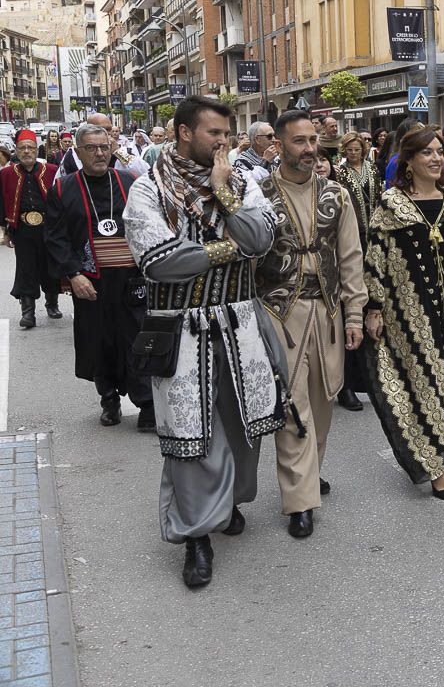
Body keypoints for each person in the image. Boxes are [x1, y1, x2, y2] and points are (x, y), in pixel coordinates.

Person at [123, 95, 287, 588]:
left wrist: (226, 196)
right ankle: (196, 535)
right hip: (181, 327)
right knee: (191, 435)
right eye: (214, 133)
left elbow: (262, 239)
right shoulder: (149, 190)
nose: (223, 142)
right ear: (183, 133)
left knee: (242, 422)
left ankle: (229, 503)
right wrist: (229, 247)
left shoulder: (239, 182)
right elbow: (159, 260)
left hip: (241, 324)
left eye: (227, 133)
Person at [363, 126, 444, 502]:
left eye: (439, 151)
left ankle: (441, 449)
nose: (436, 158)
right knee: (424, 382)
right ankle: (437, 467)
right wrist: (374, 308)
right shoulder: (390, 206)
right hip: (406, 311)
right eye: (427, 153)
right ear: (409, 161)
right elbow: (376, 261)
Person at [257, 111, 367, 539]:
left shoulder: (336, 195)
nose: (309, 148)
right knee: (292, 407)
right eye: (299, 141)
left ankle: (308, 472)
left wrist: (355, 313)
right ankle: (300, 501)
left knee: (322, 403)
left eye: (312, 141)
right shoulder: (257, 195)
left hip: (327, 312)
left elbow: (351, 259)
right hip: (279, 313)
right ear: (278, 146)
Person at [44, 123, 154, 429]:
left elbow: (148, 224)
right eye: (91, 148)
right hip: (91, 280)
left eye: (104, 147)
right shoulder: (63, 188)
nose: (100, 153)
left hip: (132, 278)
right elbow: (55, 238)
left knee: (139, 339)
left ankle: (147, 404)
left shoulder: (130, 181)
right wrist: (74, 274)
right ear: (78, 152)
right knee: (99, 340)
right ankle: (109, 398)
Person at [332, 130, 380, 410]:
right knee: (351, 311)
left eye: (357, 149)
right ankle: (346, 385)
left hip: (373, 241)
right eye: (348, 150)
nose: (353, 153)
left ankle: (372, 381)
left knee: (373, 309)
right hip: (351, 242)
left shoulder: (373, 170)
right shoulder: (340, 175)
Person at [1, 129, 61, 328]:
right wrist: (6, 230)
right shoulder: (6, 174)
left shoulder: (51, 170)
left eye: (30, 148)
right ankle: (28, 312)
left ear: (37, 150)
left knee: (49, 267)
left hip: (49, 228)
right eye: (22, 148)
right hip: (23, 229)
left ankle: (52, 303)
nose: (27, 152)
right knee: (26, 269)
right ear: (16, 151)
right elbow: (1, 203)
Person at [57, 113, 150, 180]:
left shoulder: (124, 150)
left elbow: (146, 173)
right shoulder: (73, 155)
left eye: (109, 129)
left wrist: (118, 152)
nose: (107, 133)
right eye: (101, 129)